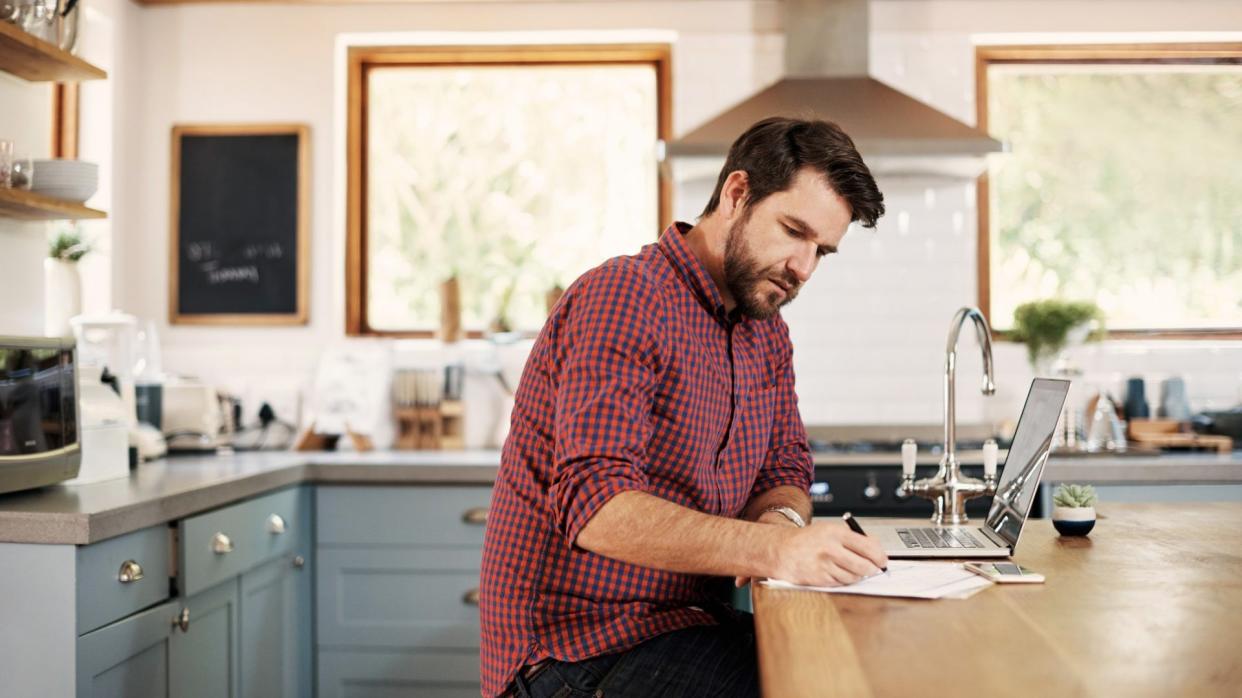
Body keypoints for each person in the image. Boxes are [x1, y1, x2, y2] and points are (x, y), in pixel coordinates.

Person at [480, 116, 888, 698]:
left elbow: (785, 472)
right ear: (737, 193)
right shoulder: (623, 296)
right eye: (793, 231)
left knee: (846, 662)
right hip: (571, 656)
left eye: (821, 250)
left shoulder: (765, 333)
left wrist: (781, 521)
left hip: (685, 627)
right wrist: (774, 549)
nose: (803, 268)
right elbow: (596, 505)